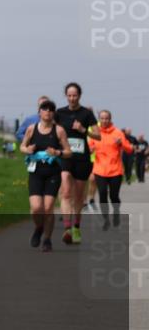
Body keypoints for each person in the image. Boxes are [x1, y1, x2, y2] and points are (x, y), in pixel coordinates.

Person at [20, 99, 73, 252]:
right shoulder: (31, 129)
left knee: (48, 207)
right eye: (45, 108)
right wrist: (27, 149)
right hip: (36, 172)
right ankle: (39, 227)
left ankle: (47, 239)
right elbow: (22, 146)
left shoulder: (59, 130)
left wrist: (58, 153)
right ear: (39, 112)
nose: (48, 111)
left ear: (53, 113)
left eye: (51, 109)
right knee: (36, 208)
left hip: (53, 172)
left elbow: (69, 152)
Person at [54, 82, 99, 245]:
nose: (72, 98)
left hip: (82, 159)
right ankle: (67, 228)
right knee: (66, 191)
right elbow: (53, 131)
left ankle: (76, 227)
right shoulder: (59, 113)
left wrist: (83, 130)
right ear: (66, 96)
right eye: (69, 95)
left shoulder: (87, 114)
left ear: (79, 96)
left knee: (79, 196)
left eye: (75, 95)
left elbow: (98, 135)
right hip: (66, 157)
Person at [89, 110, 134, 230]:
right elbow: (89, 147)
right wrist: (90, 148)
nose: (104, 121)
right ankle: (105, 220)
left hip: (115, 170)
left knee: (114, 196)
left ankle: (116, 211)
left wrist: (121, 144)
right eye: (102, 118)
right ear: (99, 120)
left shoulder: (118, 132)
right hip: (100, 170)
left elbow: (129, 149)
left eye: (107, 118)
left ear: (110, 119)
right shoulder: (95, 133)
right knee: (102, 195)